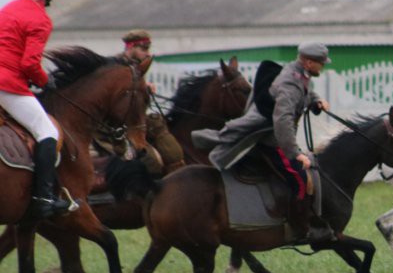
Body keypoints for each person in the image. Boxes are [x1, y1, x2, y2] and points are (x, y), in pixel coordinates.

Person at [194, 42, 333, 242]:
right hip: (273, 142)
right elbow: (282, 120)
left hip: (278, 138)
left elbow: (303, 93)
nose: (323, 66)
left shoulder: (297, 74)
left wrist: (316, 100)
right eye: (321, 63)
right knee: (301, 180)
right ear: (309, 62)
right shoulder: (290, 83)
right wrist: (295, 154)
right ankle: (301, 229)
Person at [0, 0, 72, 219]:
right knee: (47, 131)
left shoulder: (8, 8)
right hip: (7, 85)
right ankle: (43, 199)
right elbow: (30, 63)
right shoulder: (40, 19)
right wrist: (44, 81)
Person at [113, 29, 185, 175]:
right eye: (143, 49)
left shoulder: (137, 67)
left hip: (139, 120)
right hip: (121, 125)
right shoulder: (116, 68)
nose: (147, 54)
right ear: (130, 47)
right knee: (152, 161)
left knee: (163, 132)